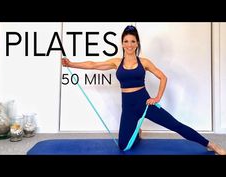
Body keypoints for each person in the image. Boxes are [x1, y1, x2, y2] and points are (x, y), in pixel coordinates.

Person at [61, 25, 226, 155]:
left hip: (144, 103)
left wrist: (157, 98)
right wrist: (71, 64)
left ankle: (211, 144)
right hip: (128, 108)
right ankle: (137, 131)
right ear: (122, 43)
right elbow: (93, 65)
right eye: (126, 41)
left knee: (175, 125)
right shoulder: (116, 62)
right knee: (123, 146)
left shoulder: (144, 62)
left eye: (133, 41)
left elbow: (163, 77)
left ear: (137, 43)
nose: (129, 45)